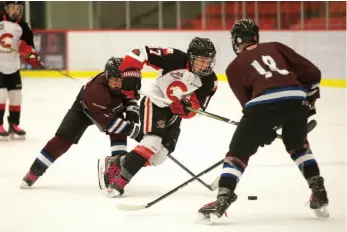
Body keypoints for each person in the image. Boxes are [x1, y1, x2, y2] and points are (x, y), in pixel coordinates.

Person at [197, 18, 329, 222]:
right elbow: (313, 73)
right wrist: (309, 101)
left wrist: (263, 130)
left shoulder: (233, 67)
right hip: (296, 99)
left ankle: (223, 198)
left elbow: (248, 104)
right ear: (256, 37)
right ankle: (317, 187)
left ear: (236, 41)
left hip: (263, 104)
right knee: (298, 146)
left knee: (238, 153)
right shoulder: (275, 47)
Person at [98, 37, 219, 197]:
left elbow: (194, 109)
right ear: (191, 56)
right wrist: (130, 74)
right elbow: (139, 52)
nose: (205, 65)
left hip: (174, 114)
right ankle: (119, 182)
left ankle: (117, 163)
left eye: (208, 61)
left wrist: (186, 109)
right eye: (201, 60)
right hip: (155, 102)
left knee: (158, 157)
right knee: (152, 142)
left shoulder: (210, 81)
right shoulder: (174, 57)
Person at [20, 57, 141, 189]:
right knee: (62, 141)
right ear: (107, 76)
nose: (118, 84)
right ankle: (35, 171)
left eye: (121, 80)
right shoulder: (96, 92)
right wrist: (135, 130)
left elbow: (131, 96)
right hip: (83, 111)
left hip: (110, 108)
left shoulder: (127, 81)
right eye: (115, 80)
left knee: (120, 133)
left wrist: (132, 113)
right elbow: (109, 123)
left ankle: (115, 168)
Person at [0, 1, 41, 140]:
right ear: (6, 9)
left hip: (13, 67)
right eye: (12, 8)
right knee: (0, 95)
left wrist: (31, 56)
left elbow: (27, 47)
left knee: (16, 96)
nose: (15, 11)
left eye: (18, 8)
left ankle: (14, 125)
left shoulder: (24, 26)